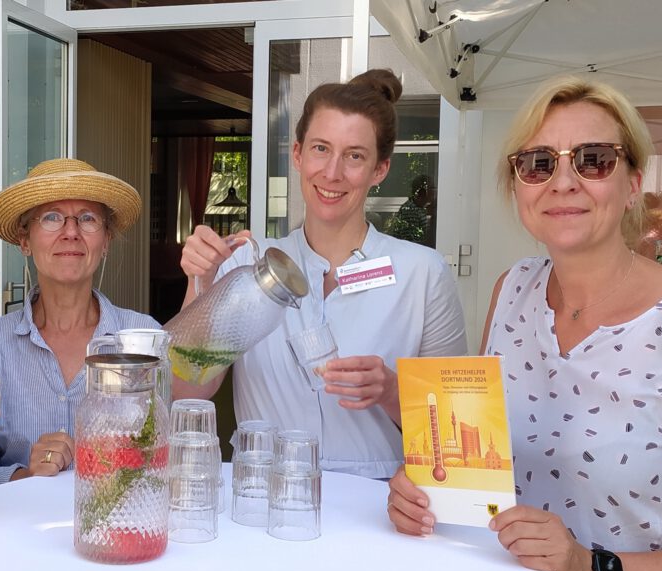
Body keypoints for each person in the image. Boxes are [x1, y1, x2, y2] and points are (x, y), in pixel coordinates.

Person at [387, 76, 662, 571]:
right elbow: (485, 470)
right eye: (538, 163)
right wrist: (428, 490)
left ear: (634, 182)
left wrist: (589, 569)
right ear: (517, 187)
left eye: (593, 159)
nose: (564, 180)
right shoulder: (512, 292)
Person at [180, 69, 467, 479]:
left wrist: (390, 390)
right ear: (297, 154)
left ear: (380, 169)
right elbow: (188, 390)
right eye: (320, 148)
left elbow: (454, 430)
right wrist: (201, 284)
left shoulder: (422, 273)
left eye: (354, 156)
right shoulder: (245, 265)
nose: (332, 173)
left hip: (377, 506)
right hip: (265, 500)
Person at [0, 158, 161, 499]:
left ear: (105, 241)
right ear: (25, 241)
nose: (71, 231)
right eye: (51, 217)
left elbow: (165, 459)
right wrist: (25, 476)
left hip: (119, 534)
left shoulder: (142, 339)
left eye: (88, 219)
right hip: (19, 540)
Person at [386, 173, 437, 246]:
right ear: (422, 192)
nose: (435, 192)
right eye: (432, 188)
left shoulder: (419, 208)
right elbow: (412, 243)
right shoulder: (410, 211)